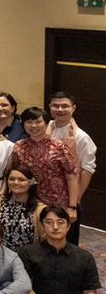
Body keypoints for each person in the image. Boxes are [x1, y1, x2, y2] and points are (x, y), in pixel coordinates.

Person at [11, 106, 79, 228]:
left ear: (47, 123)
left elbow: (72, 176)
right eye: (29, 122)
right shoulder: (18, 147)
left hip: (56, 202)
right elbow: (14, 174)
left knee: (54, 236)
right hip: (28, 201)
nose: (33, 126)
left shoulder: (60, 147)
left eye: (38, 122)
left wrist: (72, 206)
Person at [47, 91, 96, 245]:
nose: (60, 109)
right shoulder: (45, 128)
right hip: (45, 195)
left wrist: (74, 202)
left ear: (73, 108)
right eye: (55, 105)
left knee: (66, 241)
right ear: (49, 107)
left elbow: (87, 170)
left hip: (69, 198)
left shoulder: (81, 137)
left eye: (64, 106)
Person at [0, 166, 43, 251]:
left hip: (28, 257)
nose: (16, 182)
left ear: (31, 183)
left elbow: (44, 239)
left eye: (21, 180)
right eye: (12, 179)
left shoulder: (40, 209)